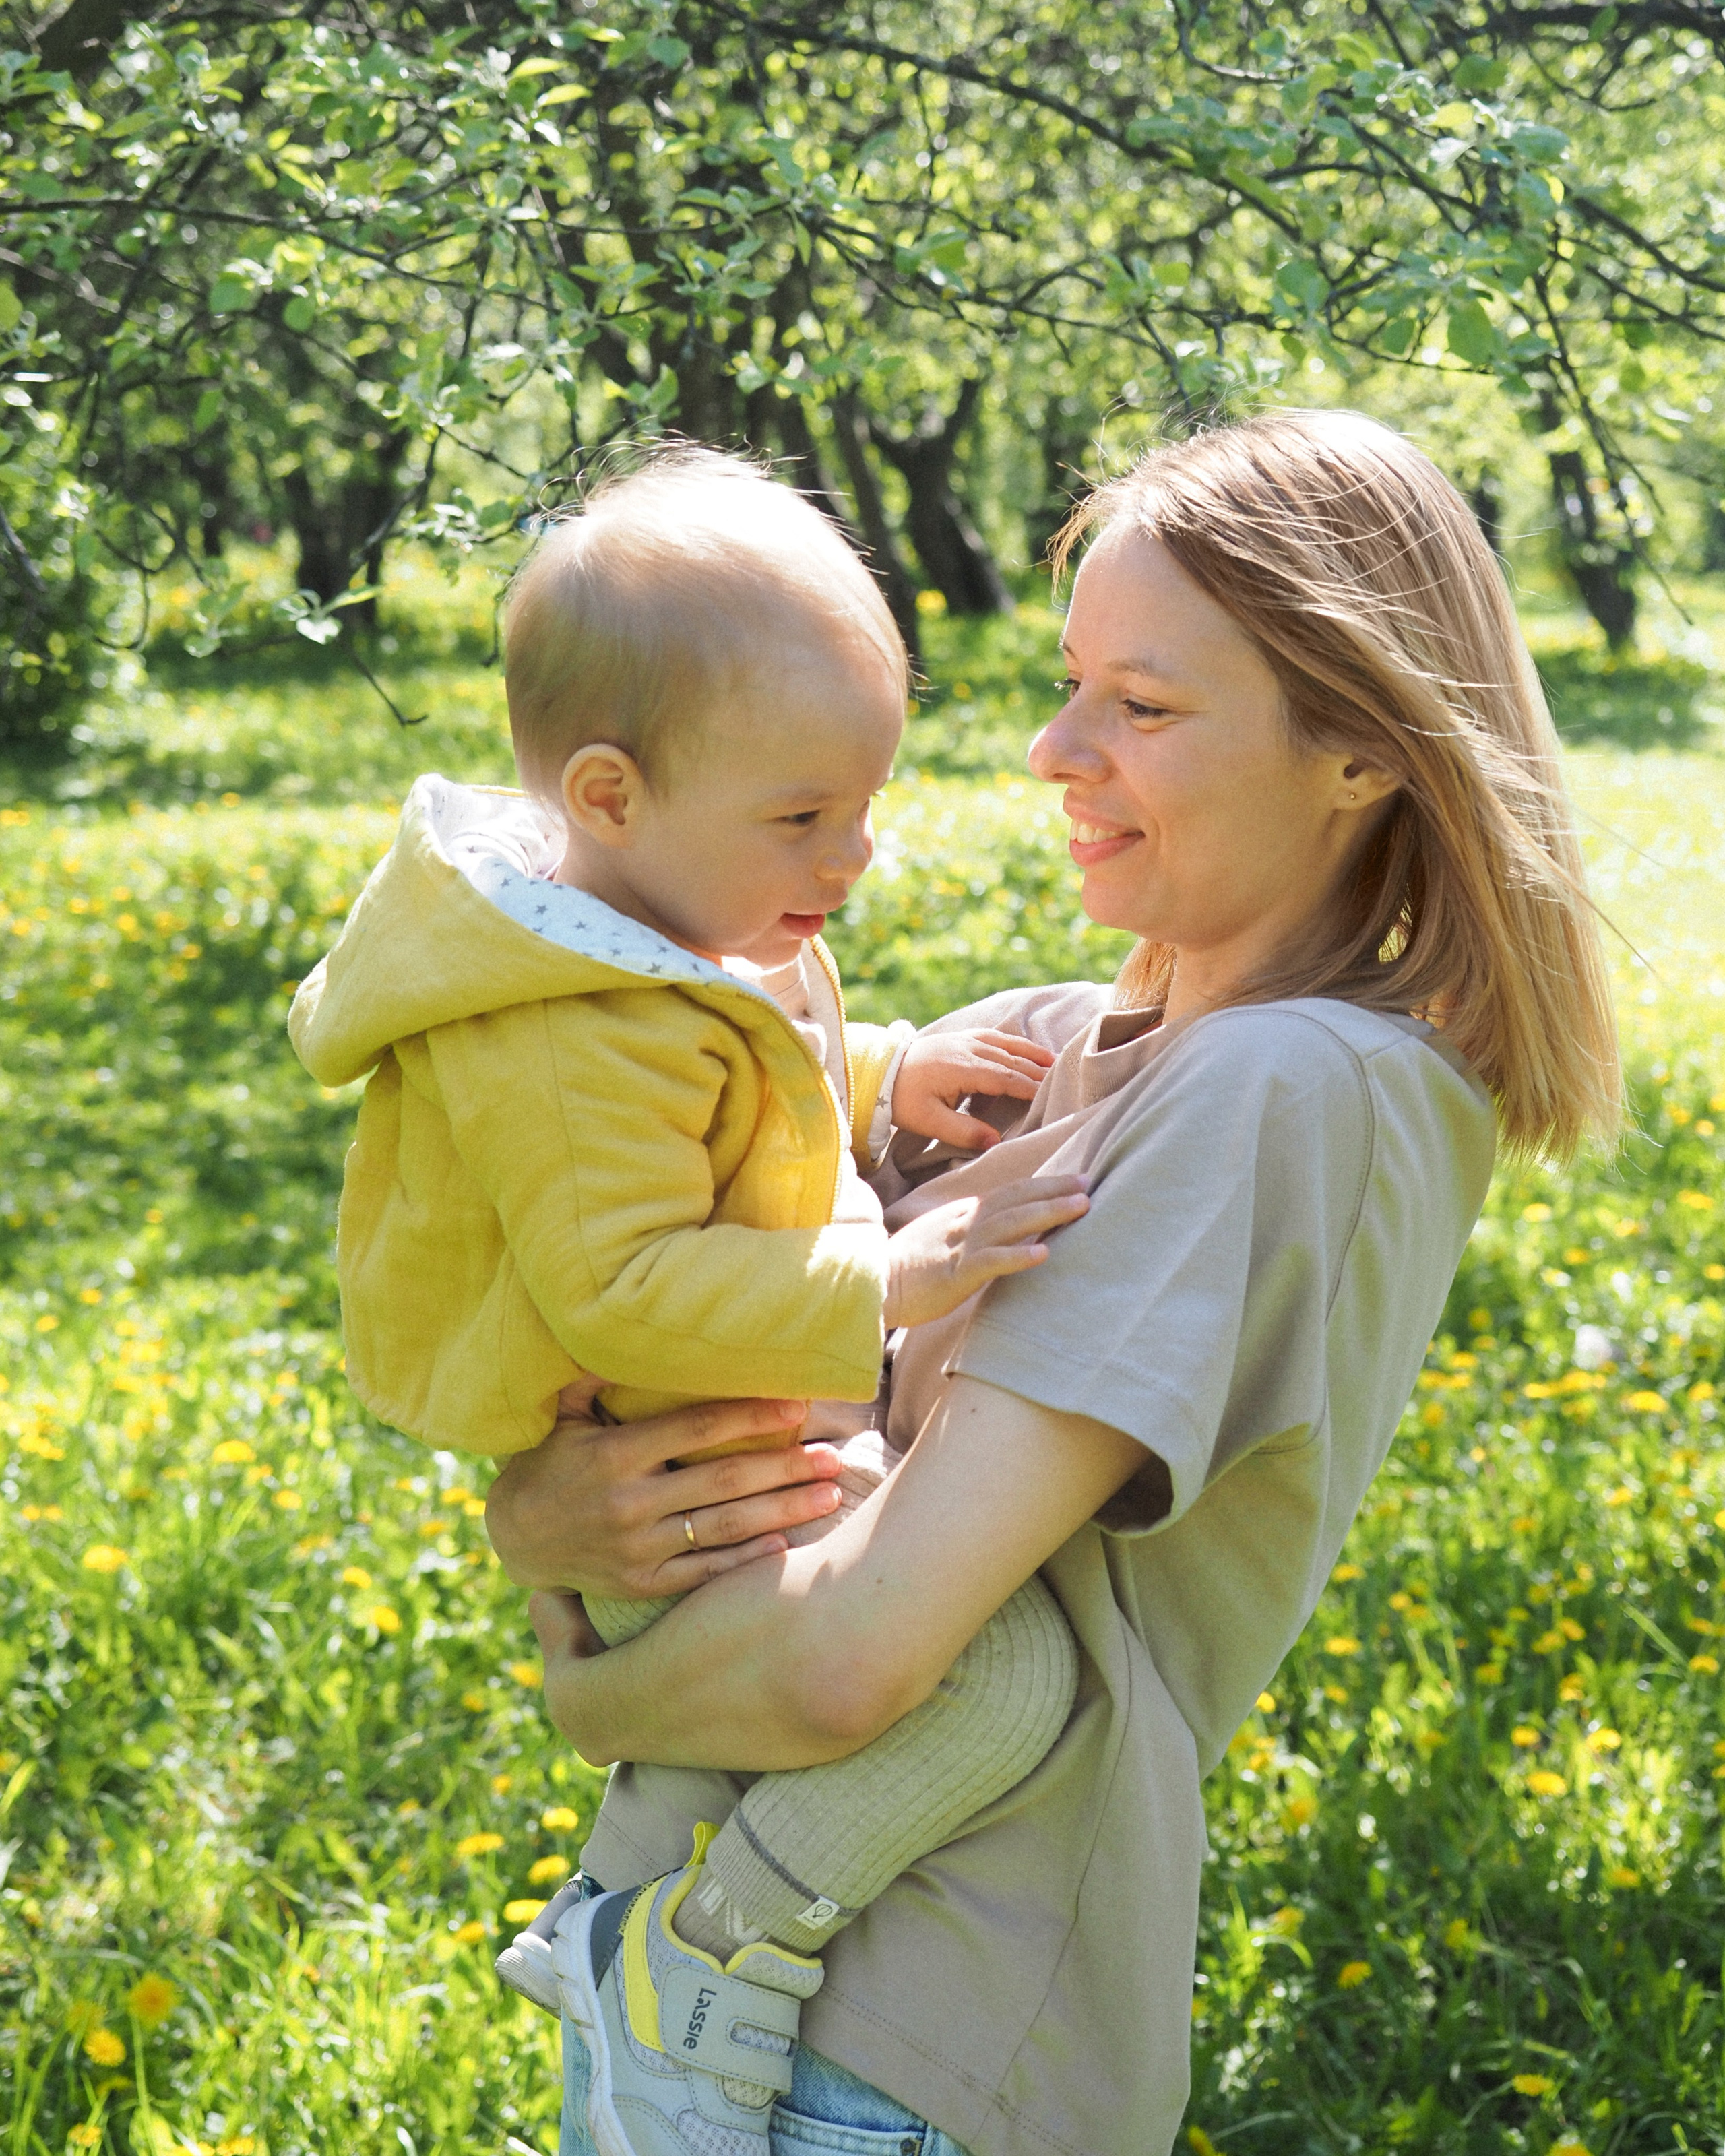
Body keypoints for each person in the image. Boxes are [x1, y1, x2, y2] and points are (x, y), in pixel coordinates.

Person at [486, 410, 1623, 2156]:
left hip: (907, 2049)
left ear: (1362, 753)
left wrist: (584, 1687)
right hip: (710, 1989)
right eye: (1072, 681)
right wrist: (544, 1519)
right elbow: (666, 1368)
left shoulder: (1285, 1091)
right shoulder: (1047, 1050)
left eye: (1143, 708)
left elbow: (849, 1666)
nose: (1052, 746)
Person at [287, 448, 1094, 2154]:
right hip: (676, 1470)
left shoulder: (678, 920)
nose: (852, 856)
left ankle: (620, 1921)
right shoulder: (566, 1023)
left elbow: (740, 1088)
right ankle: (706, 1954)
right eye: (804, 817)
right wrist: (899, 1269)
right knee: (1005, 1681)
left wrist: (885, 1068)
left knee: (775, 1716)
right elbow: (628, 1279)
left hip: (714, 1445)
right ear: (608, 794)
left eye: (866, 804)